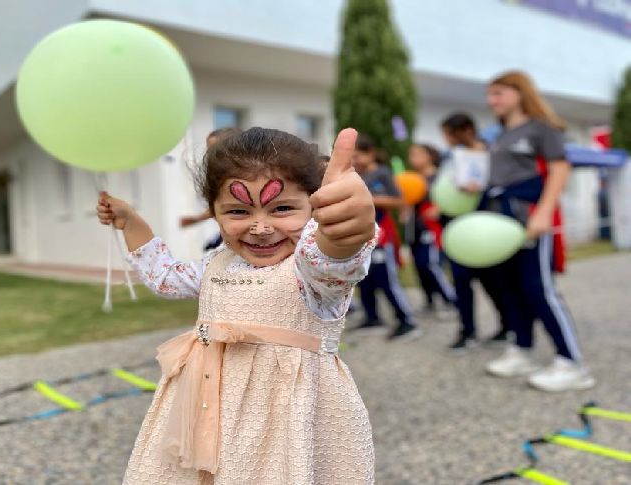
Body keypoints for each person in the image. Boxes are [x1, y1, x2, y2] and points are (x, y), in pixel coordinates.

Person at [99, 127, 378, 483]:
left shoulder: (308, 270)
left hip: (283, 422)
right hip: (206, 411)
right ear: (213, 213)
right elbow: (166, 277)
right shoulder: (219, 261)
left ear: (313, 207)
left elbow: (332, 261)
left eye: (283, 208)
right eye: (237, 211)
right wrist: (131, 222)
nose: (260, 228)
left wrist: (343, 234)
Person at [481, 71, 594, 391]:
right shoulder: (499, 134)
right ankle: (523, 349)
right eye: (490, 95)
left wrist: (543, 212)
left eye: (499, 93)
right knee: (510, 286)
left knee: (538, 288)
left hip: (528, 215)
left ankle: (573, 363)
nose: (493, 101)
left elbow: (559, 169)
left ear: (519, 92)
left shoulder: (541, 129)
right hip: (499, 217)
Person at [439, 113, 513, 351]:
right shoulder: (452, 158)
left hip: (482, 229)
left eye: (449, 134)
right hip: (457, 229)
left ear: (466, 130)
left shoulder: (490, 154)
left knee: (494, 283)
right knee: (461, 283)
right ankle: (467, 331)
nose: (447, 139)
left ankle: (508, 325)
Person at [351, 133, 419, 341]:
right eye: (351, 157)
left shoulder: (382, 173)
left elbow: (399, 201)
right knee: (364, 279)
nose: (355, 161)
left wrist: (372, 199)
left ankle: (407, 321)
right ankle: (372, 318)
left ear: (370, 153)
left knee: (387, 280)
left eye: (358, 156)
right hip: (361, 237)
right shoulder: (356, 176)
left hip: (382, 236)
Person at [405, 143, 457, 317]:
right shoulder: (413, 179)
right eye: (412, 155)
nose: (414, 158)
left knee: (430, 264)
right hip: (415, 228)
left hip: (431, 228)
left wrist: (439, 208)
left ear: (430, 156)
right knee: (418, 266)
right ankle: (430, 301)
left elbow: (450, 197)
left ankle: (451, 300)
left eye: (418, 154)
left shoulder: (440, 176)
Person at [179, 128, 242, 250]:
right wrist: (196, 219)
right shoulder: (217, 174)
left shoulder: (239, 175)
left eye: (213, 149)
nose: (209, 154)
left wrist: (197, 219)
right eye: (208, 149)